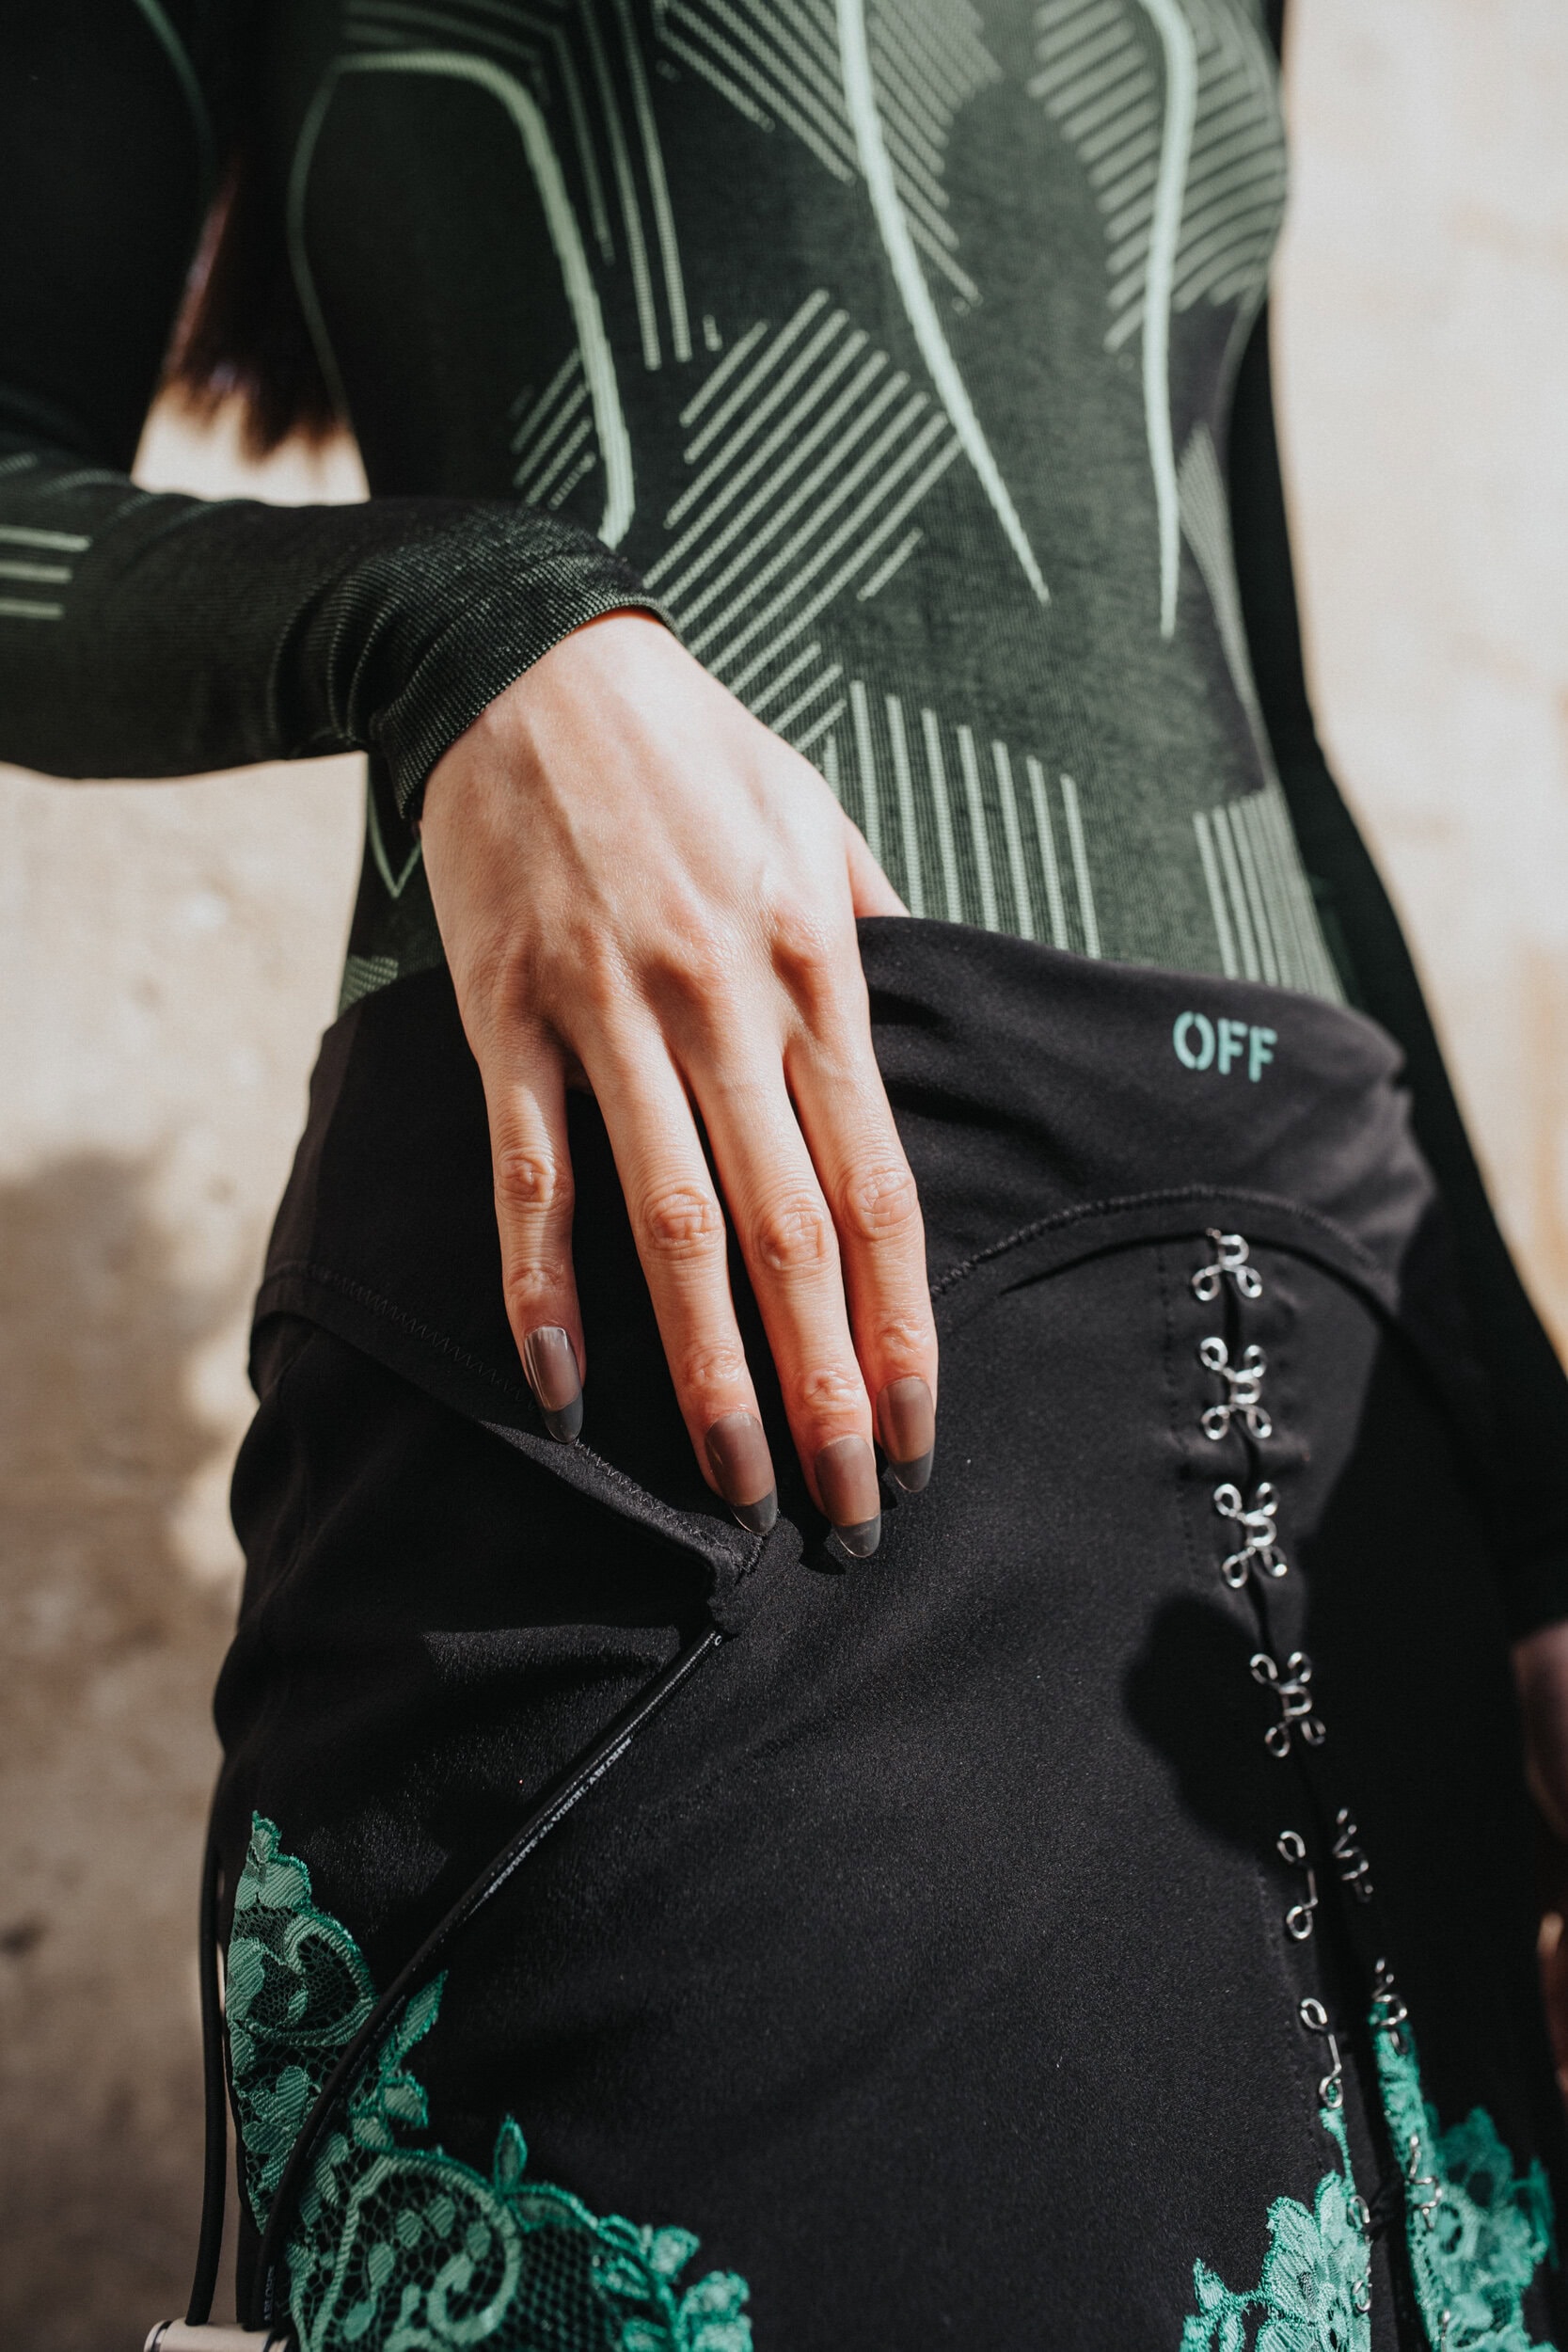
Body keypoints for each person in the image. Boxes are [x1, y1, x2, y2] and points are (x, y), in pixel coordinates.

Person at [7, 0, 1568, 2343]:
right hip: (710, 1302)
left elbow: (1264, 710)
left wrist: (1540, 1526)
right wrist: (460, 622)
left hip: (1334, 1408)